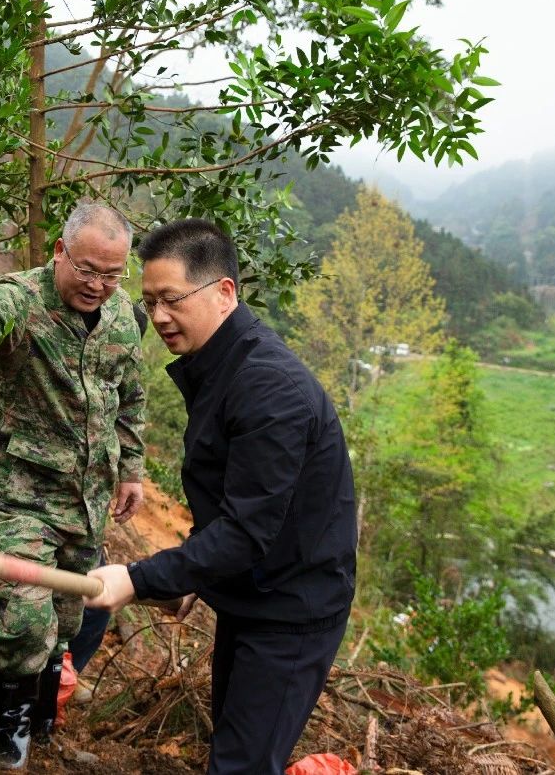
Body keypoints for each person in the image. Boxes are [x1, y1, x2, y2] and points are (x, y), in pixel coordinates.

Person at [85, 219, 357, 775]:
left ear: (224, 292)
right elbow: (230, 498)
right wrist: (195, 573)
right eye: (149, 301)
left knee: (242, 765)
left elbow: (248, 529)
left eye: (171, 299)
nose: (158, 317)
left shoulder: (269, 388)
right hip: (253, 594)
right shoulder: (222, 367)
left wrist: (139, 578)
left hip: (291, 611)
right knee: (235, 754)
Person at [0, 200, 146, 769]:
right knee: (24, 615)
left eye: (112, 275)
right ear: (59, 252)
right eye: (87, 269)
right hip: (23, 494)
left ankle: (41, 711)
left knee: (68, 618)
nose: (98, 284)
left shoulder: (122, 318)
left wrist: (132, 470)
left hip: (88, 502)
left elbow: (130, 398)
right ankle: (10, 726)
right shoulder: (23, 298)